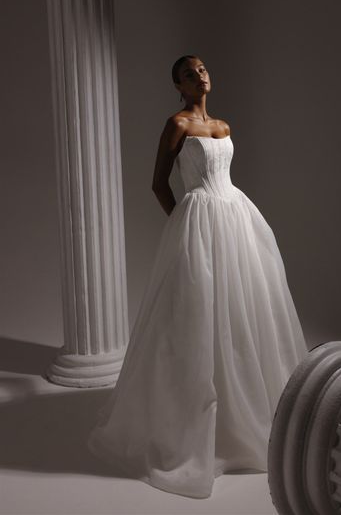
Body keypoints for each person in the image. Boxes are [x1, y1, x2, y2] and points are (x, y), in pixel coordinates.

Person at [87, 55, 308, 499]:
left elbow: (223, 174)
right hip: (200, 218)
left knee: (244, 309)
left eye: (203, 70)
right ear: (178, 86)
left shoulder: (224, 126)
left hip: (236, 217)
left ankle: (244, 412)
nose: (200, 76)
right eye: (189, 73)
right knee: (196, 314)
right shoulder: (176, 124)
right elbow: (157, 183)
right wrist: (183, 221)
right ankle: (191, 422)